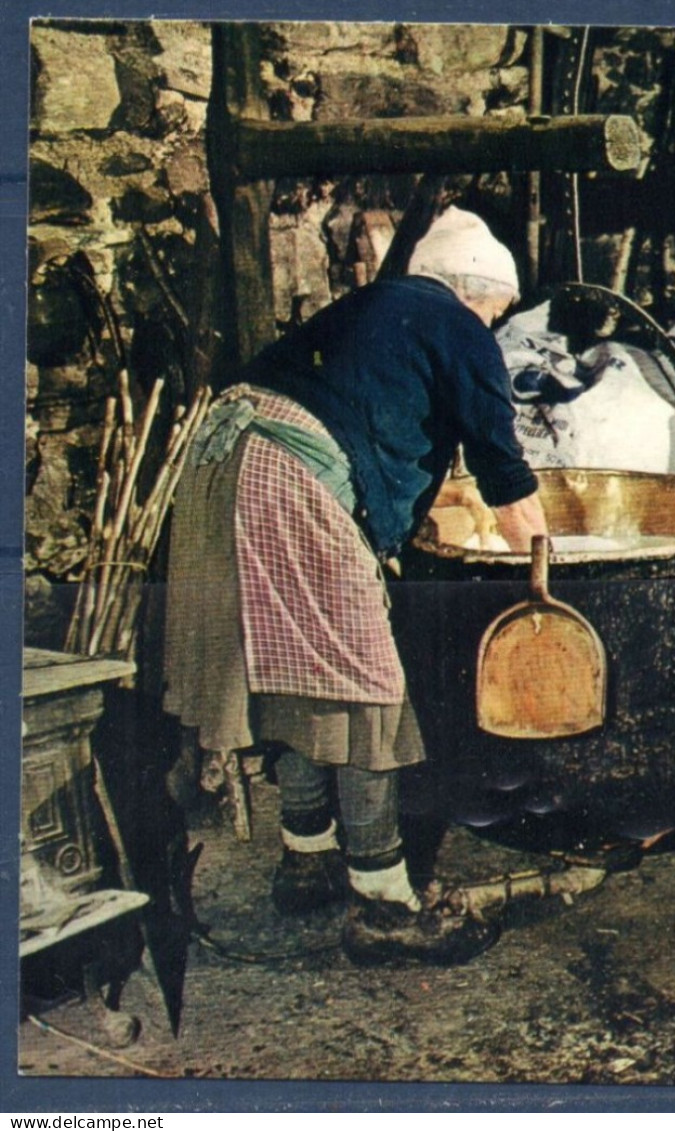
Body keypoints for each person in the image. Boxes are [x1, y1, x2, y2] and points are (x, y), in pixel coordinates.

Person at [163, 207, 548, 967]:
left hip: (220, 460)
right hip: (292, 476)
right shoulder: (458, 325)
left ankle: (307, 855)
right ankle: (383, 902)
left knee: (293, 667)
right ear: (478, 292)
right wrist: (544, 562)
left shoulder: (373, 305)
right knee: (367, 681)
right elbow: (507, 478)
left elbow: (378, 421)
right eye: (497, 311)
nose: (494, 325)